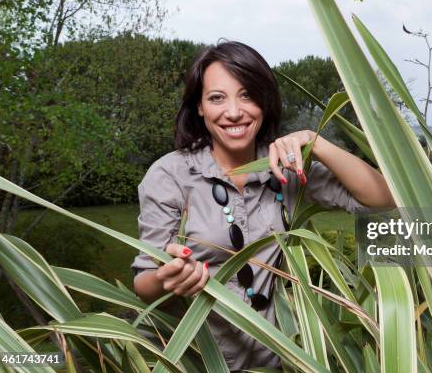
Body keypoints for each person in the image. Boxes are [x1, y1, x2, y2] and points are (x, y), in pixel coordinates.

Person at [131, 41, 395, 370]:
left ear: (264, 101)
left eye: (247, 95)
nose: (233, 112)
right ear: (199, 107)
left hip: (272, 359)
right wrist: (169, 277)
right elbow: (144, 283)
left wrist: (316, 142)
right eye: (217, 98)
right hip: (193, 359)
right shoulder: (170, 174)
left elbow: (385, 200)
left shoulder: (286, 167)